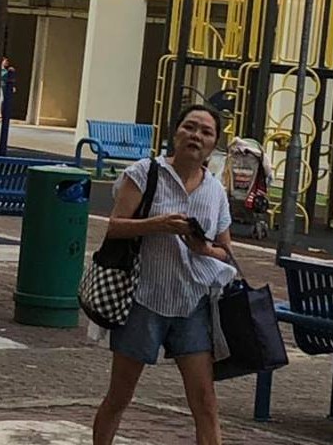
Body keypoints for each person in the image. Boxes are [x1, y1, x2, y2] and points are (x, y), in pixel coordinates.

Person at [93, 104, 236, 445]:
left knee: (205, 403)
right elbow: (113, 227)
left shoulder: (215, 190)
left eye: (206, 132)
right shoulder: (144, 173)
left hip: (192, 305)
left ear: (214, 144)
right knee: (120, 396)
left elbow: (226, 250)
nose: (196, 136)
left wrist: (203, 248)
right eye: (190, 127)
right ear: (175, 133)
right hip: (143, 300)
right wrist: (155, 225)